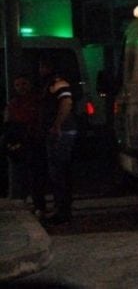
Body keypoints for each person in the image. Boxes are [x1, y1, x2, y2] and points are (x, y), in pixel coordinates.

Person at [38, 54, 79, 225]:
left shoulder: (58, 83)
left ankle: (63, 210)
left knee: (59, 171)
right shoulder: (52, 83)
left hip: (61, 132)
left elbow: (66, 103)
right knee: (58, 171)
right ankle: (61, 208)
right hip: (59, 130)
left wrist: (57, 125)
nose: (40, 70)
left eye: (42, 67)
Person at [3, 74, 46, 215]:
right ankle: (35, 201)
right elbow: (8, 122)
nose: (21, 88)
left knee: (36, 173)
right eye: (18, 85)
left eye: (23, 84)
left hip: (35, 140)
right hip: (22, 141)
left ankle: (39, 203)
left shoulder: (37, 101)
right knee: (27, 173)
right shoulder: (14, 103)